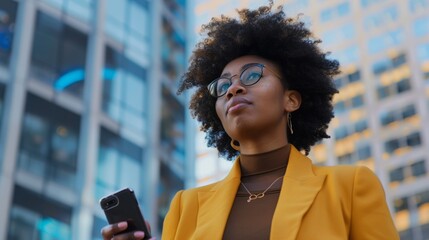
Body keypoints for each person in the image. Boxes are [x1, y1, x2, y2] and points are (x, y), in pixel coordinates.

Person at [102, 3, 400, 240]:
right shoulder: (186, 207)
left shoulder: (349, 187)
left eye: (252, 75)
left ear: (291, 100)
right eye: (223, 86)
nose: (233, 89)